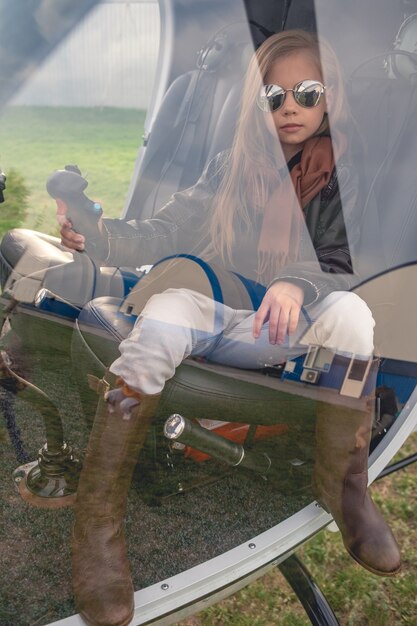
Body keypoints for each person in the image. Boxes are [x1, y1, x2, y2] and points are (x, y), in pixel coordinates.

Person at [60, 30, 400, 626]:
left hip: (297, 335)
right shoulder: (229, 167)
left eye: (306, 92)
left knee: (354, 315)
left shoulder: (345, 174)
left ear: (329, 100)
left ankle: (343, 485)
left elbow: (344, 262)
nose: (289, 105)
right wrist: (99, 234)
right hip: (229, 317)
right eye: (273, 95)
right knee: (168, 310)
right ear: (256, 104)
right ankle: (98, 522)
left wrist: (297, 283)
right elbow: (165, 230)